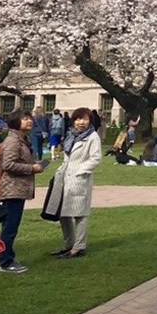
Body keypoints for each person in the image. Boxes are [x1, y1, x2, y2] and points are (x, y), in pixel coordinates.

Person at [46, 108, 102, 259]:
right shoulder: (71, 135)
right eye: (77, 119)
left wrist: (81, 171)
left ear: (90, 120)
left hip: (79, 179)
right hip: (65, 178)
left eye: (84, 119)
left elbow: (95, 158)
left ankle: (79, 247)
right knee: (63, 214)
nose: (80, 122)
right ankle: (68, 244)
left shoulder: (92, 137)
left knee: (80, 214)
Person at [0, 109, 47, 273]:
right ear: (15, 122)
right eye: (25, 119)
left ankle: (6, 256)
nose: (29, 121)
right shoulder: (13, 141)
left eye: (30, 118)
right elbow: (8, 165)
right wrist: (31, 168)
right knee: (10, 226)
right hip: (12, 188)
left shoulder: (22, 140)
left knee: (11, 225)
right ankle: (5, 261)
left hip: (17, 188)